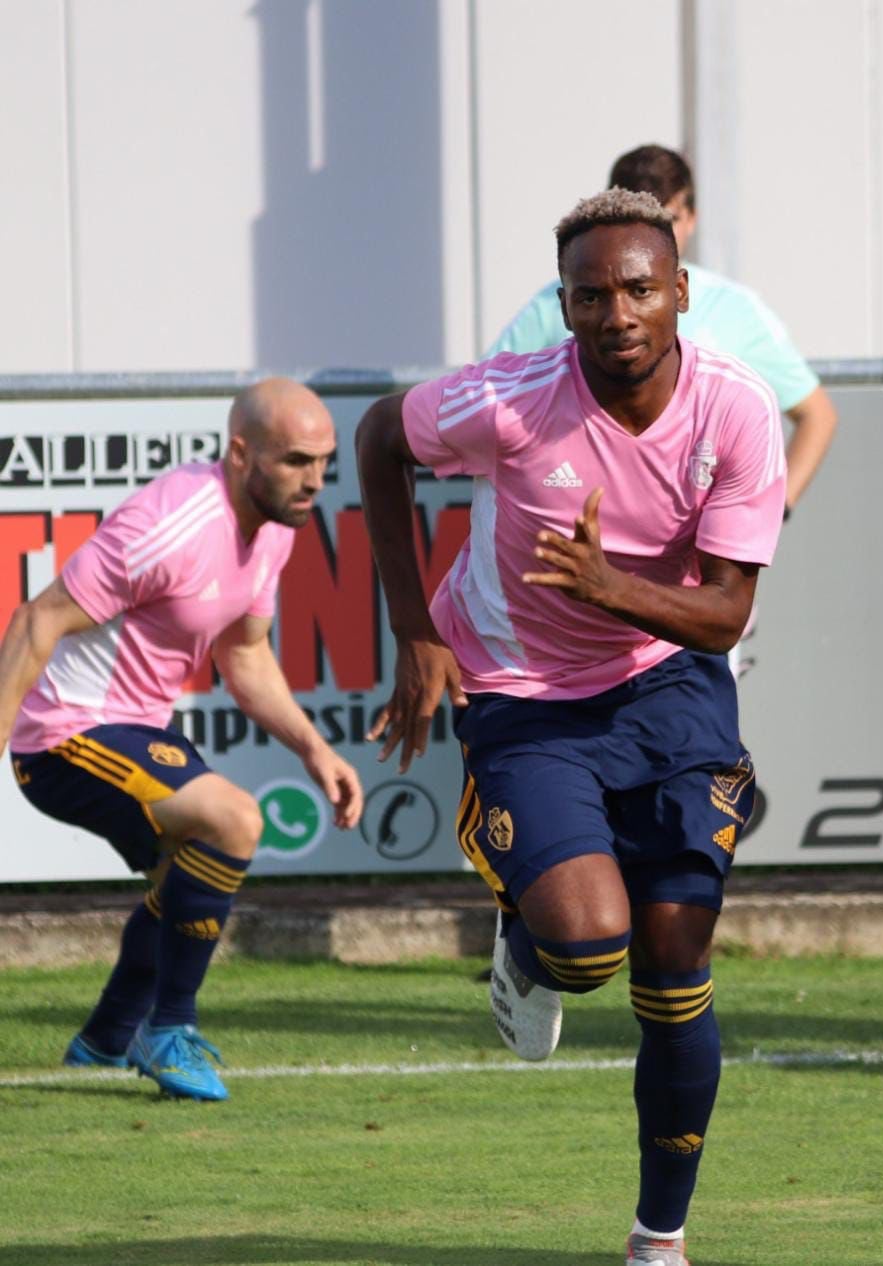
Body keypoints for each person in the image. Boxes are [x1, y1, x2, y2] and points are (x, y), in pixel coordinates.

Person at [357, 189, 784, 1266]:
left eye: (639, 288)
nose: (617, 313)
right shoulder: (509, 402)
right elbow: (378, 437)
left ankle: (659, 1239)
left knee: (676, 951)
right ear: (564, 306)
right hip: (525, 693)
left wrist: (607, 587)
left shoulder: (735, 409)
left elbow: (728, 611)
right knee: (588, 944)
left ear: (680, 293)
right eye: (589, 295)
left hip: (670, 683)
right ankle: (527, 942)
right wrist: (415, 632)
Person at [0, 379, 363, 1102]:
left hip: (136, 729)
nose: (314, 480)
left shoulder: (276, 529)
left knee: (186, 880)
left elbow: (246, 655)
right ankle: (168, 1028)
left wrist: (313, 748)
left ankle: (105, 1039)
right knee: (234, 819)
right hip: (61, 734)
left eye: (324, 462)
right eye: (295, 460)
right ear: (239, 453)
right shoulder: (170, 523)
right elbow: (38, 620)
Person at [488, 143, 835, 521]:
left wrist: (764, 512)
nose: (619, 319)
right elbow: (488, 403)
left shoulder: (735, 308)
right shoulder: (558, 303)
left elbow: (816, 414)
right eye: (638, 218)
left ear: (692, 218)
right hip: (578, 531)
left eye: (666, 218)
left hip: (692, 545)